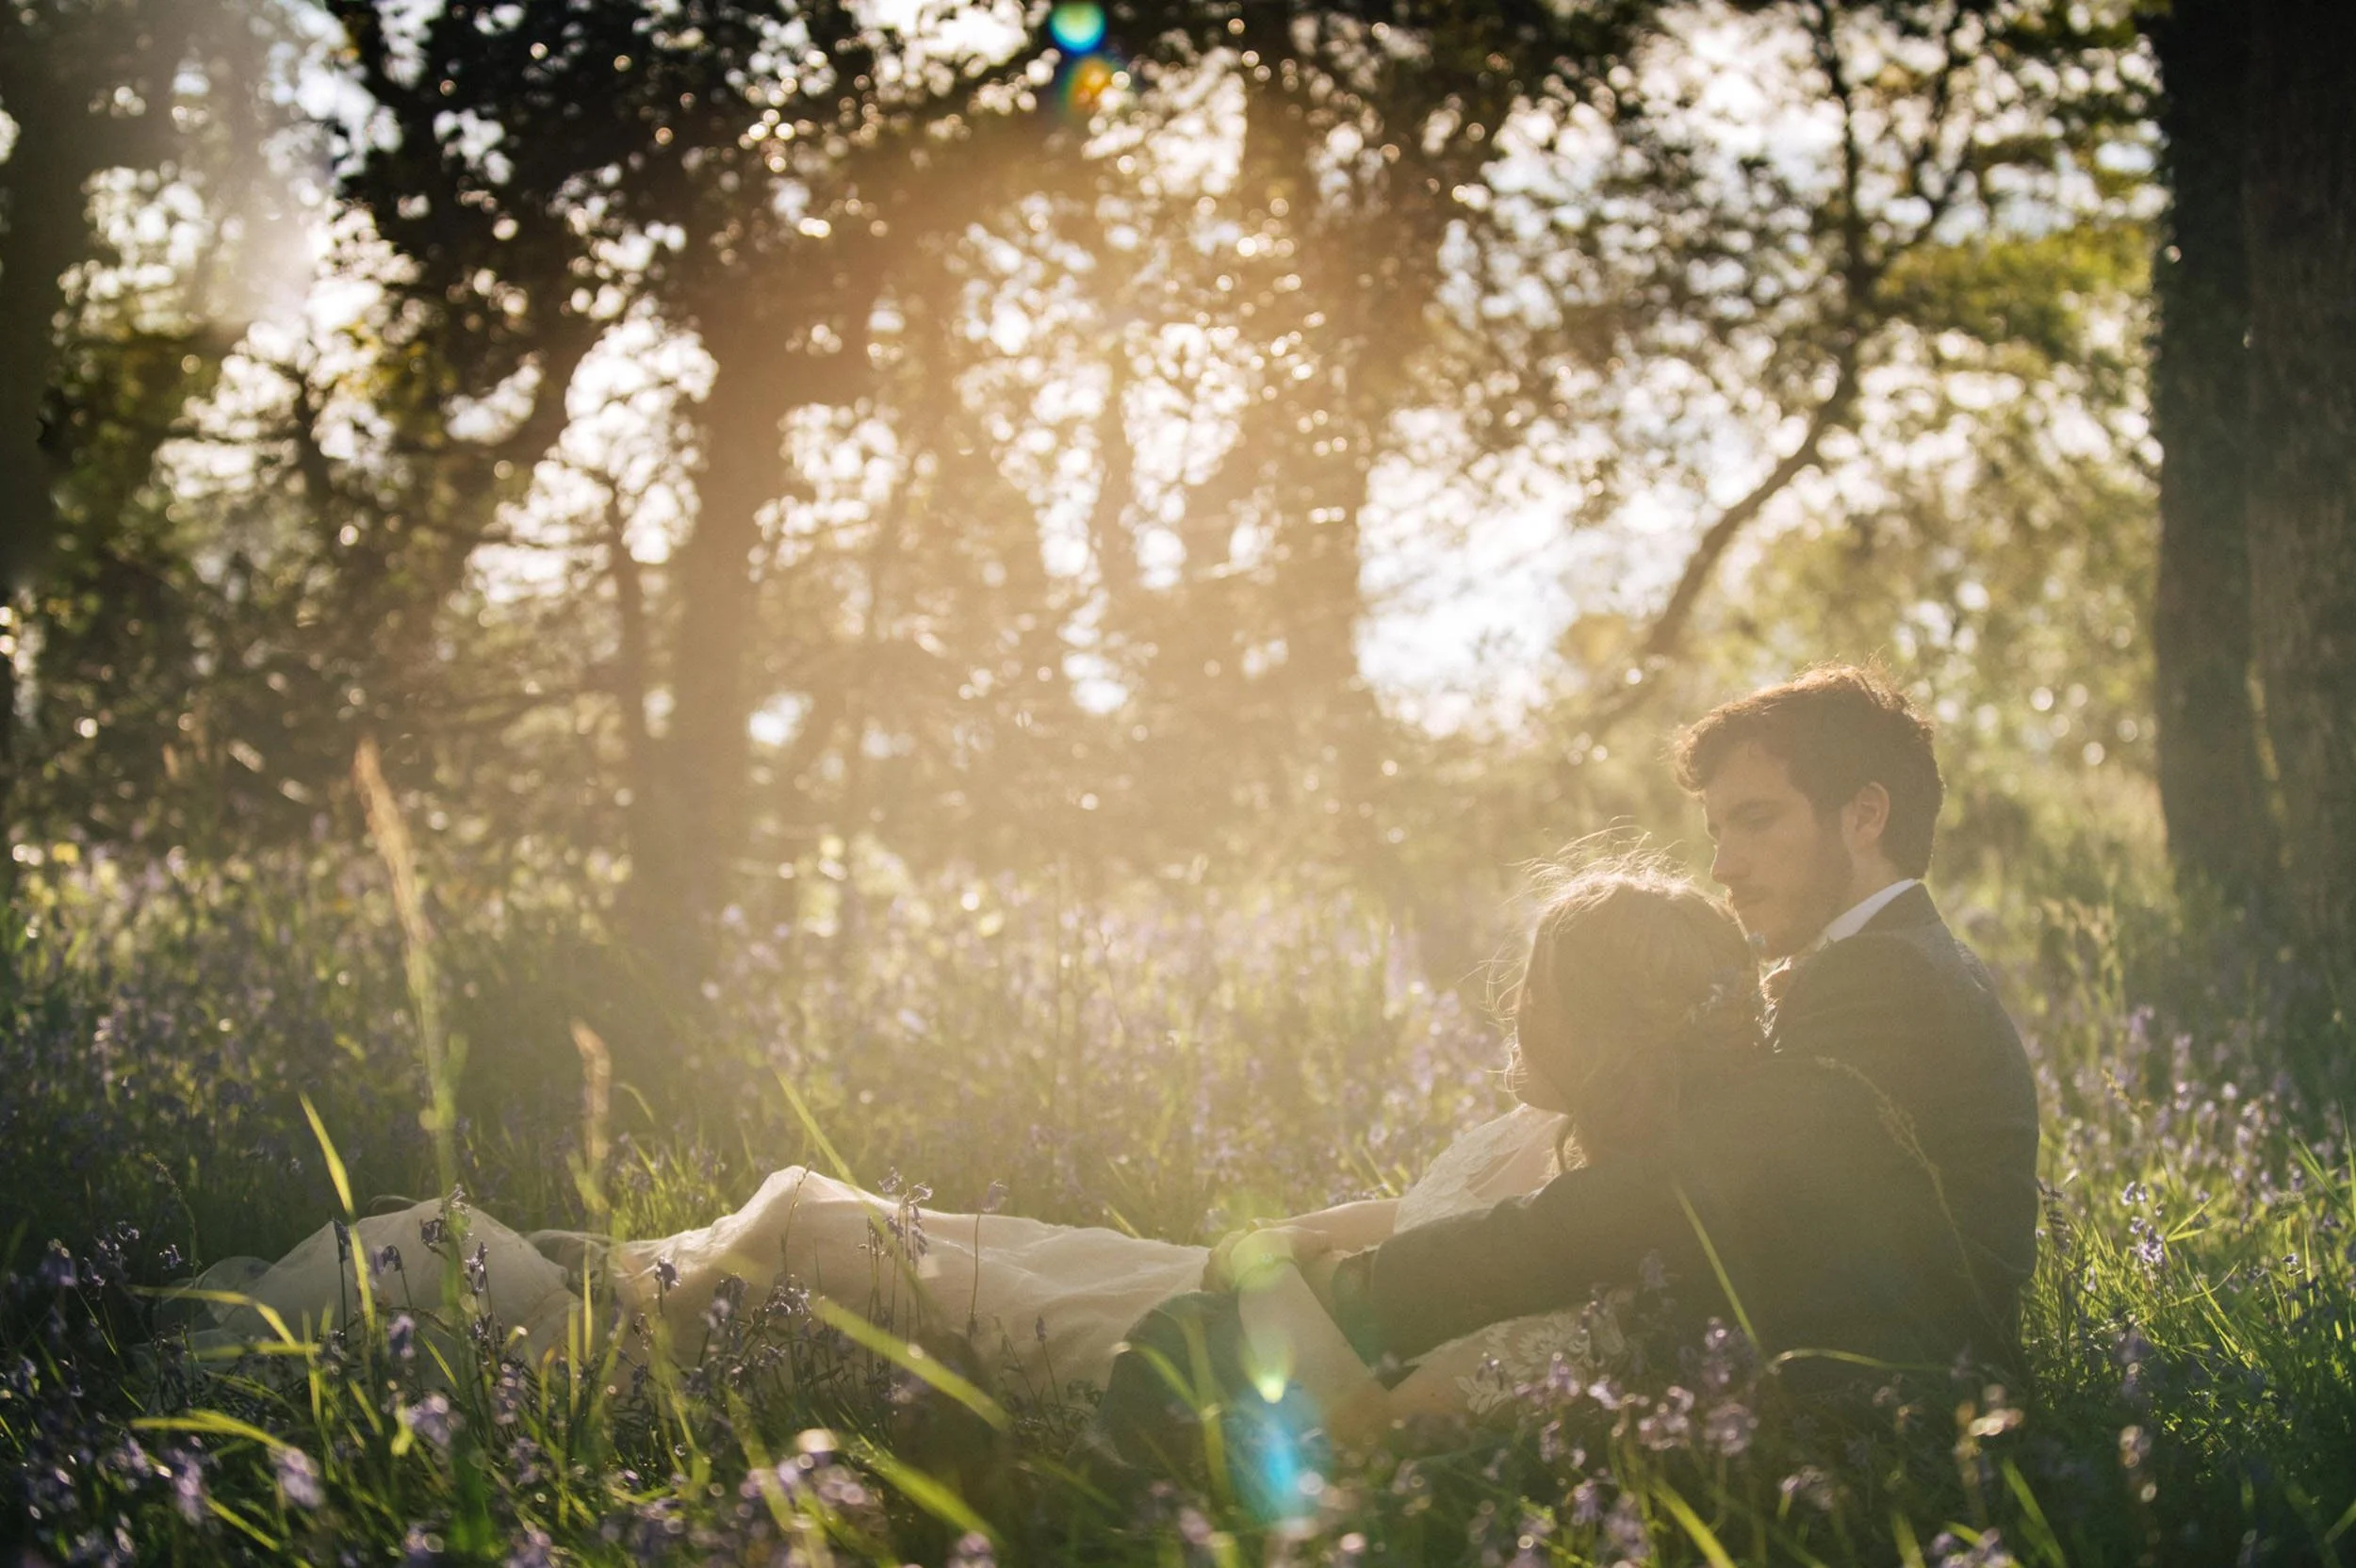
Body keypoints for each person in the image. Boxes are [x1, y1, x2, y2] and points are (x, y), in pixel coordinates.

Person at [182, 862, 1755, 1421]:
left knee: (805, 1228)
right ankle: (483, 1297)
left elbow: (1411, 1405)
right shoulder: (1533, 1129)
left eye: (1536, 986)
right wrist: (1274, 1241)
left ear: (1600, 1018)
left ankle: (476, 1319)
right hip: (1200, 1279)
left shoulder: (1605, 1227)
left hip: (1209, 1346)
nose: (1509, 1001)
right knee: (769, 1236)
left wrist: (1259, 1349)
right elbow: (1399, 1214)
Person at [1230, 664, 2039, 1434]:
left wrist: (1375, 1286)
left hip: (1880, 1415)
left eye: (1757, 819)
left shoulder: (1892, 981)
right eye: (1716, 831)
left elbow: (1681, 1193)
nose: (1724, 865)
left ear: (1866, 815)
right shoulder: (1888, 965)